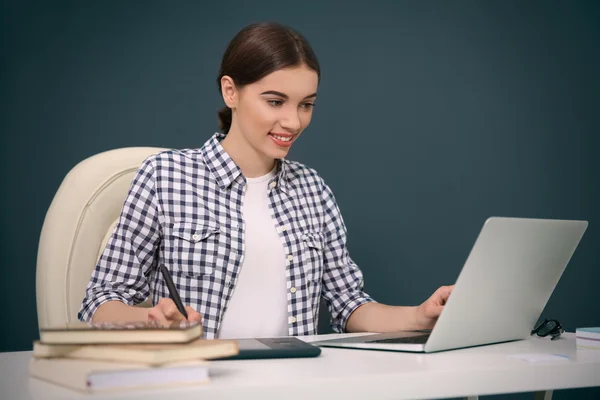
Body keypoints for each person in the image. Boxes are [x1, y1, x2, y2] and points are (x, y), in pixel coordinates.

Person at [78, 22, 453, 339]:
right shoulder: (165, 176)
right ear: (231, 92)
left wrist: (421, 316)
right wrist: (152, 321)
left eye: (306, 104)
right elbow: (101, 299)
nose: (293, 121)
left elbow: (348, 304)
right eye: (275, 101)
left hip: (292, 386)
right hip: (198, 384)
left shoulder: (313, 191)